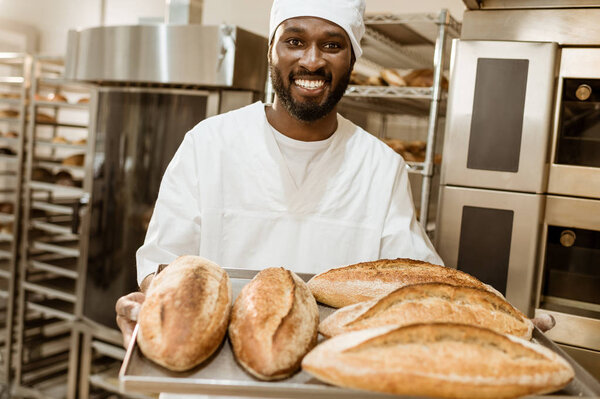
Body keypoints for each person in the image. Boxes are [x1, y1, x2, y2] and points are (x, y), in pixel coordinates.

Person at [116, 0, 444, 351]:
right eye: (294, 41)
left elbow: (415, 285)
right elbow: (162, 262)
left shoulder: (380, 166)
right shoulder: (209, 144)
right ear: (270, 50)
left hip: (327, 377)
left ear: (353, 59)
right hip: (211, 375)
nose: (312, 60)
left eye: (332, 45)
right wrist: (153, 307)